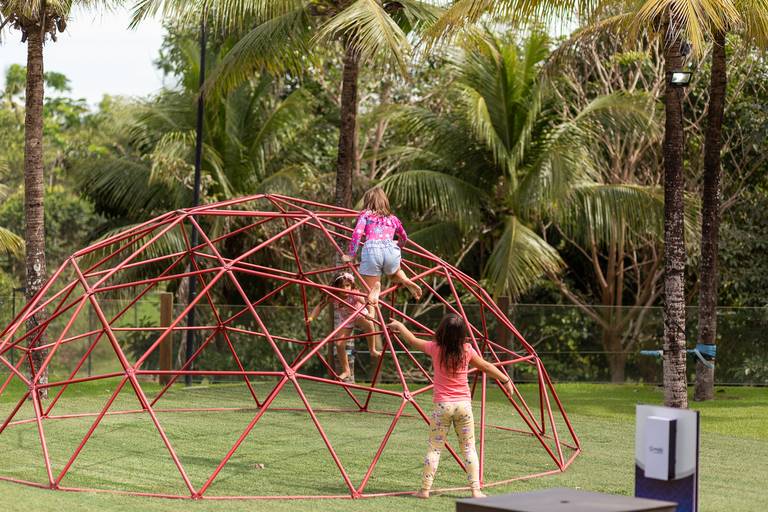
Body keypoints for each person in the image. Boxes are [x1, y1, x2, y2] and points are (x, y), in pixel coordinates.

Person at [387, 314, 514, 499]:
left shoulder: (436, 348)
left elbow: (413, 341)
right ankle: (475, 490)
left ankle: (424, 490)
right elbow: (486, 366)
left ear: (442, 331)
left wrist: (400, 325)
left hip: (442, 406)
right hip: (463, 406)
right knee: (469, 448)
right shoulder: (467, 350)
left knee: (434, 448)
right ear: (462, 334)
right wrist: (505, 379)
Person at [342, 187, 421, 317]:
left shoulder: (366, 215)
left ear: (368, 202)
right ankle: (405, 280)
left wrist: (351, 254)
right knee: (394, 273)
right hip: (391, 250)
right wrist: (399, 247)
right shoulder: (393, 219)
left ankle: (372, 310)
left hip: (373, 250)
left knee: (367, 286)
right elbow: (404, 237)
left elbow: (357, 233)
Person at [307, 272, 382, 382]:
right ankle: (346, 370)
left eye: (347, 285)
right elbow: (319, 306)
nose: (345, 289)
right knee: (339, 344)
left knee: (369, 324)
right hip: (346, 320)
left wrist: (371, 314)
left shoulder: (354, 294)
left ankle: (372, 349)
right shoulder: (333, 296)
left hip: (359, 314)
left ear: (351, 285)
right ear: (336, 287)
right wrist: (311, 318)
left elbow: (369, 302)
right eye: (341, 286)